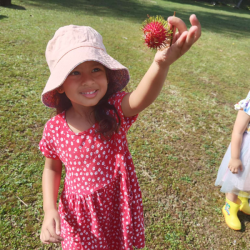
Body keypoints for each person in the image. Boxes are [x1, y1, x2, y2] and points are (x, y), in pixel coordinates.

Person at [39, 15, 201, 249]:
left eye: (96, 69)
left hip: (116, 205)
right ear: (60, 85)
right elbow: (51, 168)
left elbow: (138, 100)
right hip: (79, 215)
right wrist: (49, 209)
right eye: (75, 72)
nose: (88, 80)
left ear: (106, 74)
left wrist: (161, 64)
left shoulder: (113, 111)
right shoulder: (54, 129)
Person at [215, 92, 250, 230]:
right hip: (246, 152)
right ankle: (230, 206)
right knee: (237, 179)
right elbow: (237, 131)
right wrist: (235, 158)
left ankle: (243, 200)